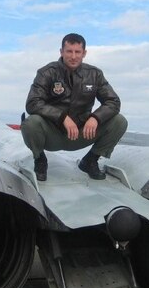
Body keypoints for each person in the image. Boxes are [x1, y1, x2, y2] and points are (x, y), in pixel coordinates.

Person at [21, 33, 127, 181]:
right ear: (61, 52)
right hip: (52, 134)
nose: (73, 56)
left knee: (119, 121)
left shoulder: (95, 74)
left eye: (77, 52)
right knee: (31, 123)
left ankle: (90, 161)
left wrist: (95, 118)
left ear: (84, 53)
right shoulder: (46, 73)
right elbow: (33, 103)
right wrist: (62, 117)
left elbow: (113, 101)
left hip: (81, 133)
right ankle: (40, 160)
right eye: (69, 51)